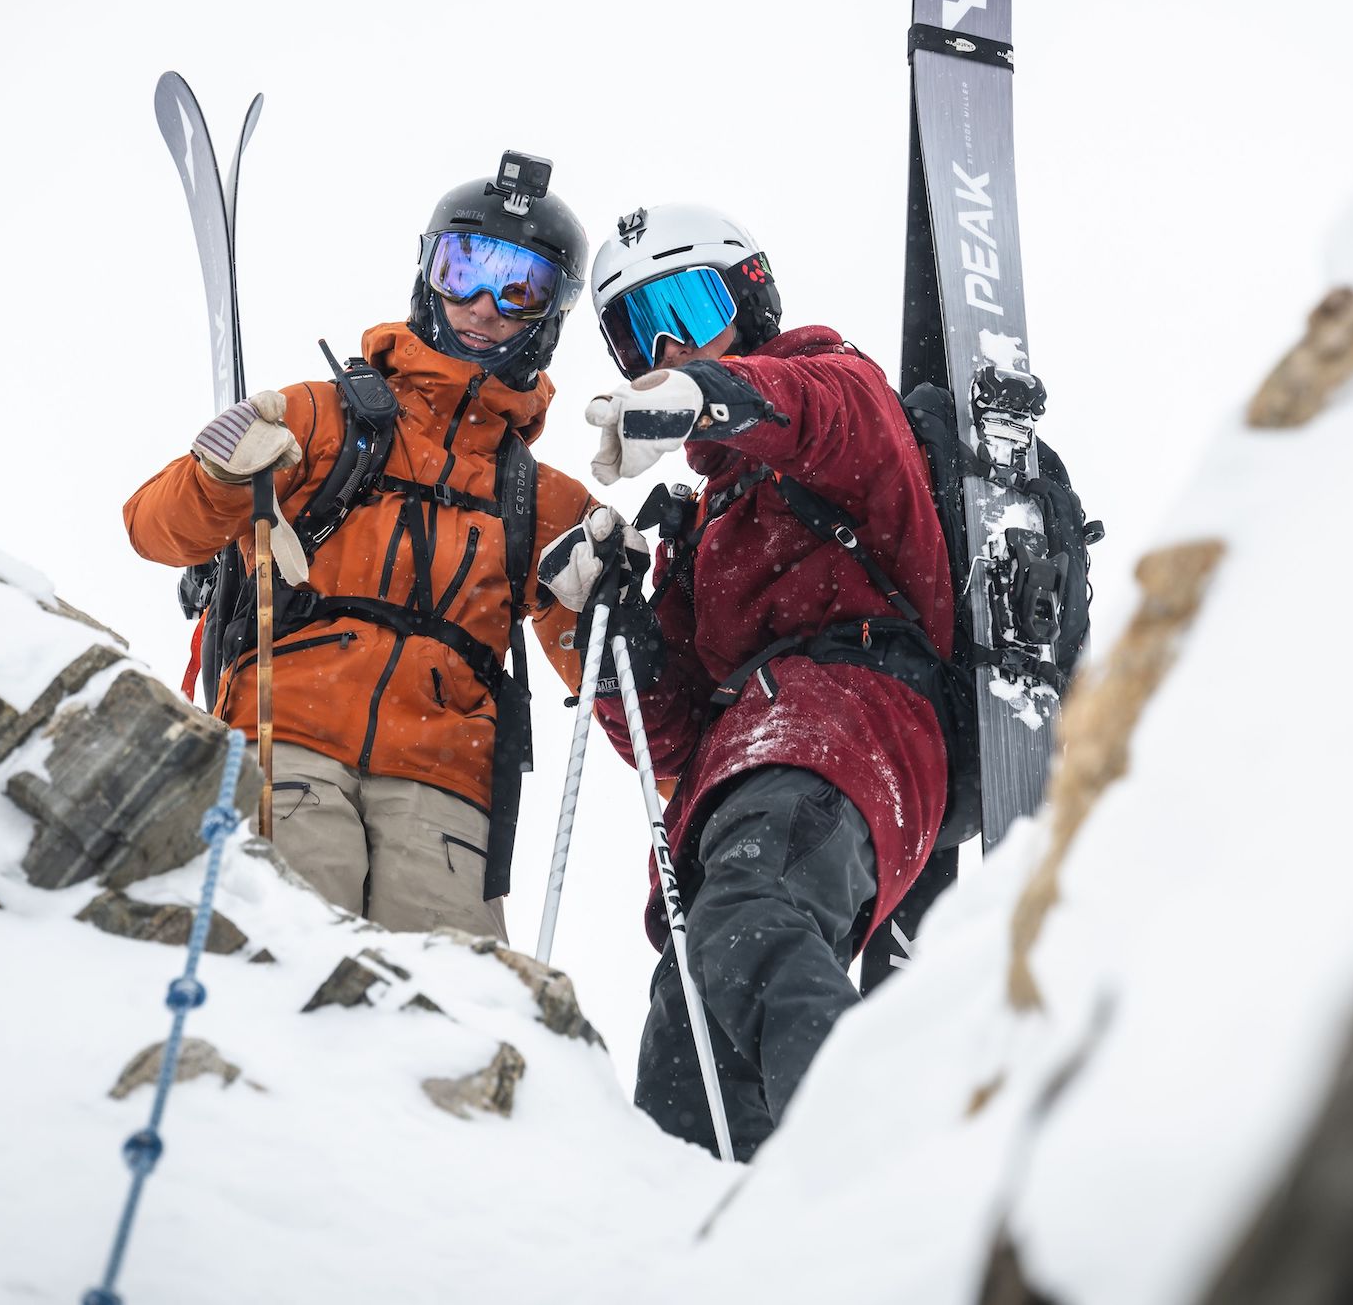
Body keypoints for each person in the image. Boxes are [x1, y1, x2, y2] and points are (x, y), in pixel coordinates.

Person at [539, 203, 954, 1157]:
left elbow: (812, 410)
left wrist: (706, 394)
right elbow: (675, 736)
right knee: (690, 1029)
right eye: (641, 332)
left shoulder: (837, 389)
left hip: (853, 726)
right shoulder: (704, 521)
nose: (672, 344)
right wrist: (614, 625)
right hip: (739, 781)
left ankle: (868, 1172)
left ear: (754, 297)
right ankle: (725, 1239)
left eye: (690, 304)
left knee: (747, 920)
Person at [124, 160, 596, 941]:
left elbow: (612, 685)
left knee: (440, 1019)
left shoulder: (544, 501)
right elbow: (153, 527)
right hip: (290, 736)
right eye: (465, 268)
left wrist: (617, 595)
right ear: (428, 270)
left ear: (551, 313)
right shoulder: (323, 417)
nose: (483, 305)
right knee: (288, 964)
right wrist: (219, 476)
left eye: (521, 288)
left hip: (447, 792)